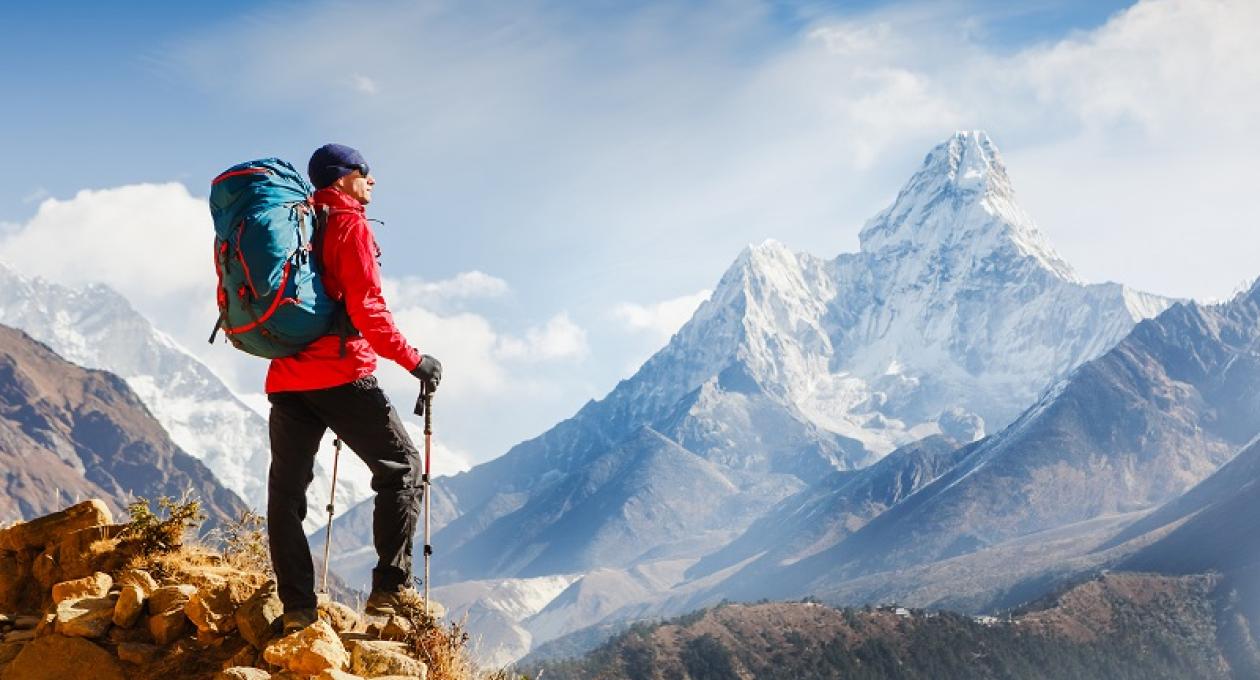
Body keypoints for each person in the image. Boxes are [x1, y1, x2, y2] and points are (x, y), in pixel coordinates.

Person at [265, 143, 442, 633]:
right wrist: (415, 361)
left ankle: (297, 608)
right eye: (366, 173)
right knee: (401, 467)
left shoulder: (293, 221)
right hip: (341, 375)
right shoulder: (348, 225)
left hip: (286, 378)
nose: (372, 181)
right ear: (343, 178)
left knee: (286, 495)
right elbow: (367, 308)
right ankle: (389, 592)